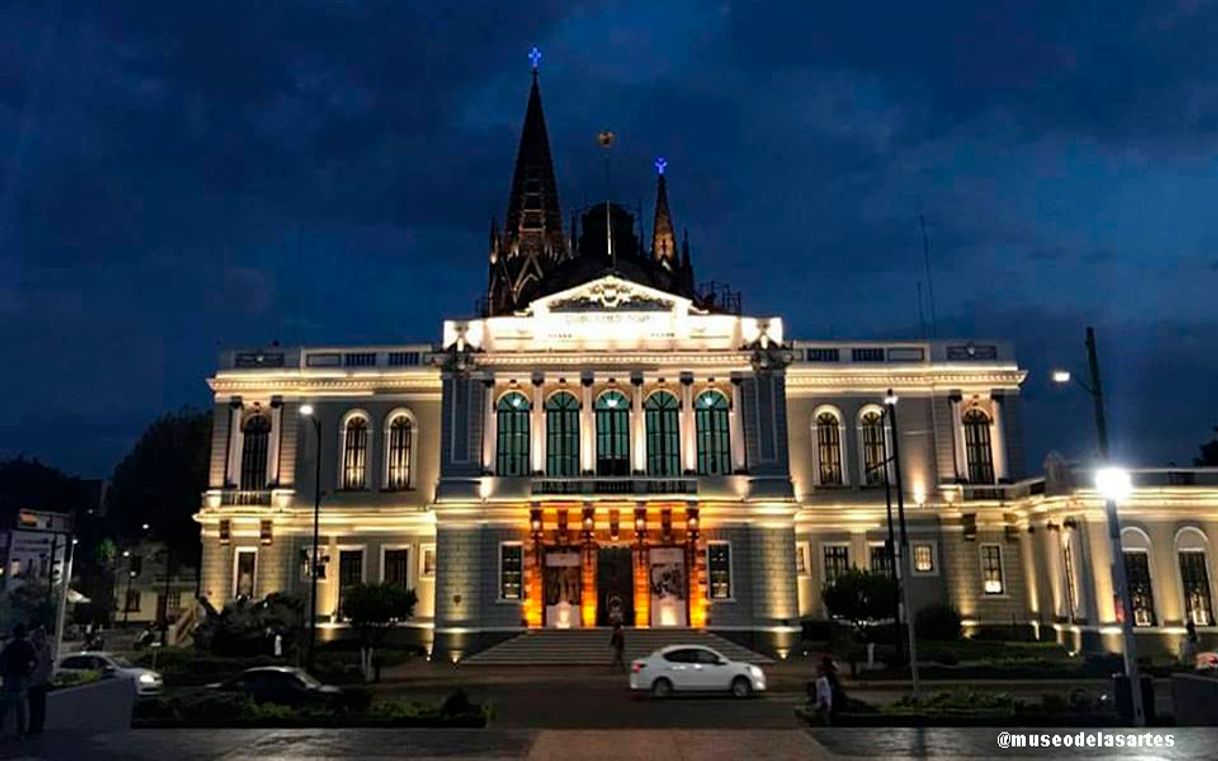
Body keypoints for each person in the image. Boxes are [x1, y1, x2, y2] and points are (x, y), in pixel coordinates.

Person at [0, 623, 37, 738]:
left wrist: (3, 673)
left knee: (5, 704)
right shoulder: (27, 646)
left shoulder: (9, 646)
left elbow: (1, 660)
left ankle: (1, 728)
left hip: (10, 677)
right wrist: (29, 672)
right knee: (21, 706)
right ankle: (20, 732)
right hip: (22, 677)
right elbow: (35, 661)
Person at [27, 627, 53, 735]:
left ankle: (35, 727)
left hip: (35, 681)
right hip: (38, 680)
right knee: (38, 705)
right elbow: (48, 665)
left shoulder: (37, 649)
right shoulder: (45, 648)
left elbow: (45, 664)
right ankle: (37, 726)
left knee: (35, 705)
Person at [812, 655, 841, 725]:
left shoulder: (824, 678)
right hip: (829, 698)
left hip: (827, 699)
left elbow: (824, 691)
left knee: (826, 716)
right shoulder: (826, 676)